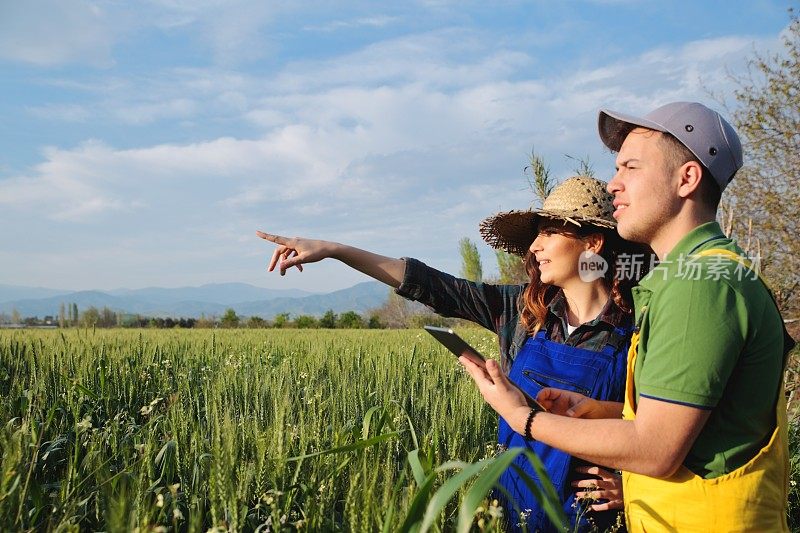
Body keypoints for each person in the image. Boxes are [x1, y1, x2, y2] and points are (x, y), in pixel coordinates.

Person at [459, 102, 796, 532]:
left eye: (630, 168)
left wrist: (523, 417)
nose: (614, 185)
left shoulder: (700, 287)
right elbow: (697, 421)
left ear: (686, 179)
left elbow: (655, 449)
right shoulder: (701, 274)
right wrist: (599, 410)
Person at [258, 176, 649, 532]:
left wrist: (631, 488)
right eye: (536, 235)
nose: (534, 247)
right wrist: (335, 250)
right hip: (511, 507)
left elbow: (665, 429)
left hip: (587, 519)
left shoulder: (640, 325)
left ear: (592, 243)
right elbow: (433, 285)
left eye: (548, 232)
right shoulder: (523, 314)